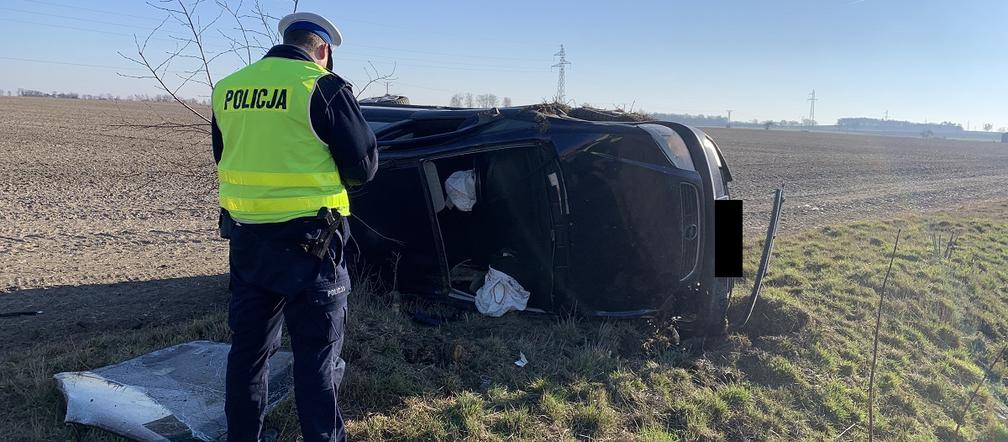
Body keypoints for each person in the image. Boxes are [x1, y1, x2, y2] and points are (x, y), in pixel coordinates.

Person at [210, 11, 377, 442]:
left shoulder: (228, 88)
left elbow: (224, 156)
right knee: (317, 359)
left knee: (248, 355)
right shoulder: (323, 86)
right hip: (312, 249)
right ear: (323, 51)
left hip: (248, 245)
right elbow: (363, 168)